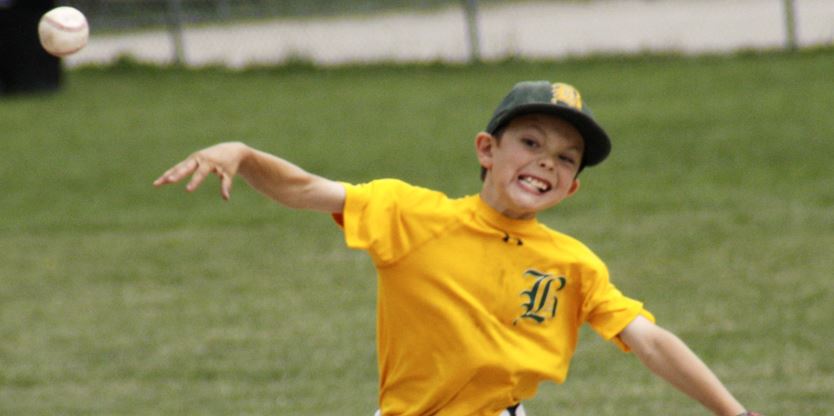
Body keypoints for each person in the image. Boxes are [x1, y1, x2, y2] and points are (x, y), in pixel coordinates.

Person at [154, 80, 761, 416]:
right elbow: (306, 189)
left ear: (572, 186)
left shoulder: (573, 264)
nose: (545, 163)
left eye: (565, 158)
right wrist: (242, 154)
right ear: (486, 150)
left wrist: (734, 413)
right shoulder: (411, 215)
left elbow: (650, 341)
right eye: (530, 142)